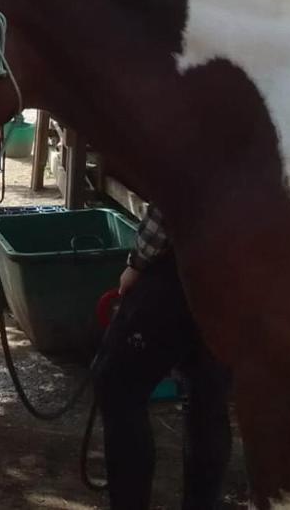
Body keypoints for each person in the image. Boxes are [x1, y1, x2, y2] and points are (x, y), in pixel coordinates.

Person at [93, 203, 233, 509]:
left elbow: (176, 194)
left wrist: (138, 261)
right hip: (241, 273)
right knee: (209, 397)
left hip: (188, 263)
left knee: (116, 382)